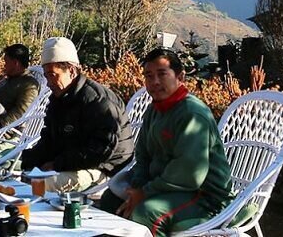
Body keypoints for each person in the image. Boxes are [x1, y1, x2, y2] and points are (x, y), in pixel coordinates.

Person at [97, 49, 236, 236]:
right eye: (148, 75)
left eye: (162, 74)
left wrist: (145, 193)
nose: (154, 82)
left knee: (147, 213)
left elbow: (189, 174)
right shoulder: (153, 111)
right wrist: (137, 188)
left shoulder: (192, 114)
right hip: (165, 188)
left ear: (180, 77)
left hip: (204, 196)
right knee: (110, 199)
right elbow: (143, 156)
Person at [20, 37, 134, 193]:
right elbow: (49, 138)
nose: (49, 83)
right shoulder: (59, 99)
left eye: (53, 75)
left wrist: (57, 164)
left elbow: (101, 150)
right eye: (46, 76)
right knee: (28, 176)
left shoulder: (99, 101)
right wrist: (29, 161)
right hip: (74, 163)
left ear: (72, 70)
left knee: (44, 184)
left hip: (107, 169)